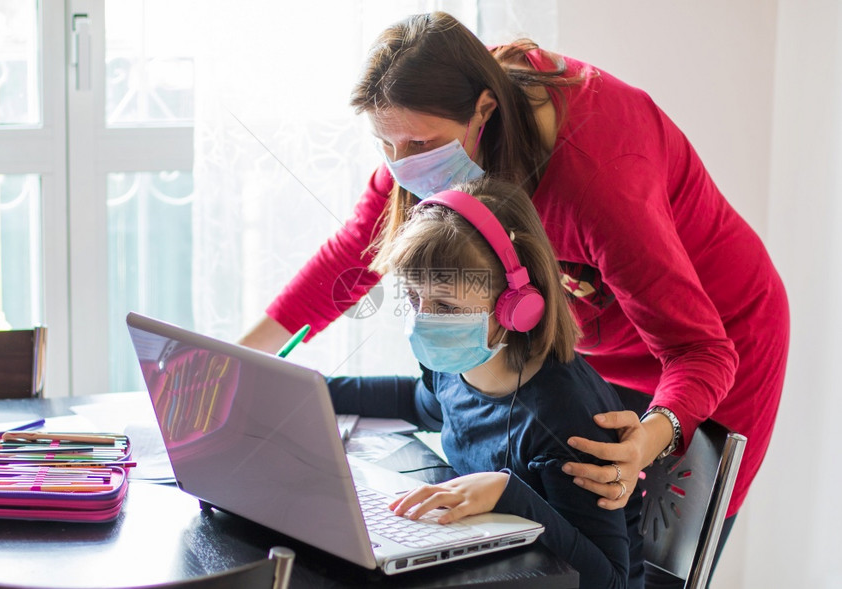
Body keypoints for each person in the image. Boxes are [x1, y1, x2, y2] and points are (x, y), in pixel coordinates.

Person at [239, 11, 790, 585]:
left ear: (484, 110)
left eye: (418, 144)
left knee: (651, 560)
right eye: (386, 145)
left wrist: (651, 436)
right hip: (594, 349)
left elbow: (700, 349)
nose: (402, 165)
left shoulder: (600, 177)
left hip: (716, 340)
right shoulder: (425, 125)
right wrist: (243, 362)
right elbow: (357, 251)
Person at [328, 177, 642, 588]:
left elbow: (612, 581)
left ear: (516, 309)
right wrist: (315, 391)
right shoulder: (457, 365)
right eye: (413, 298)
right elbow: (420, 403)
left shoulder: (566, 416)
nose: (423, 318)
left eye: (445, 305)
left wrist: (506, 493)